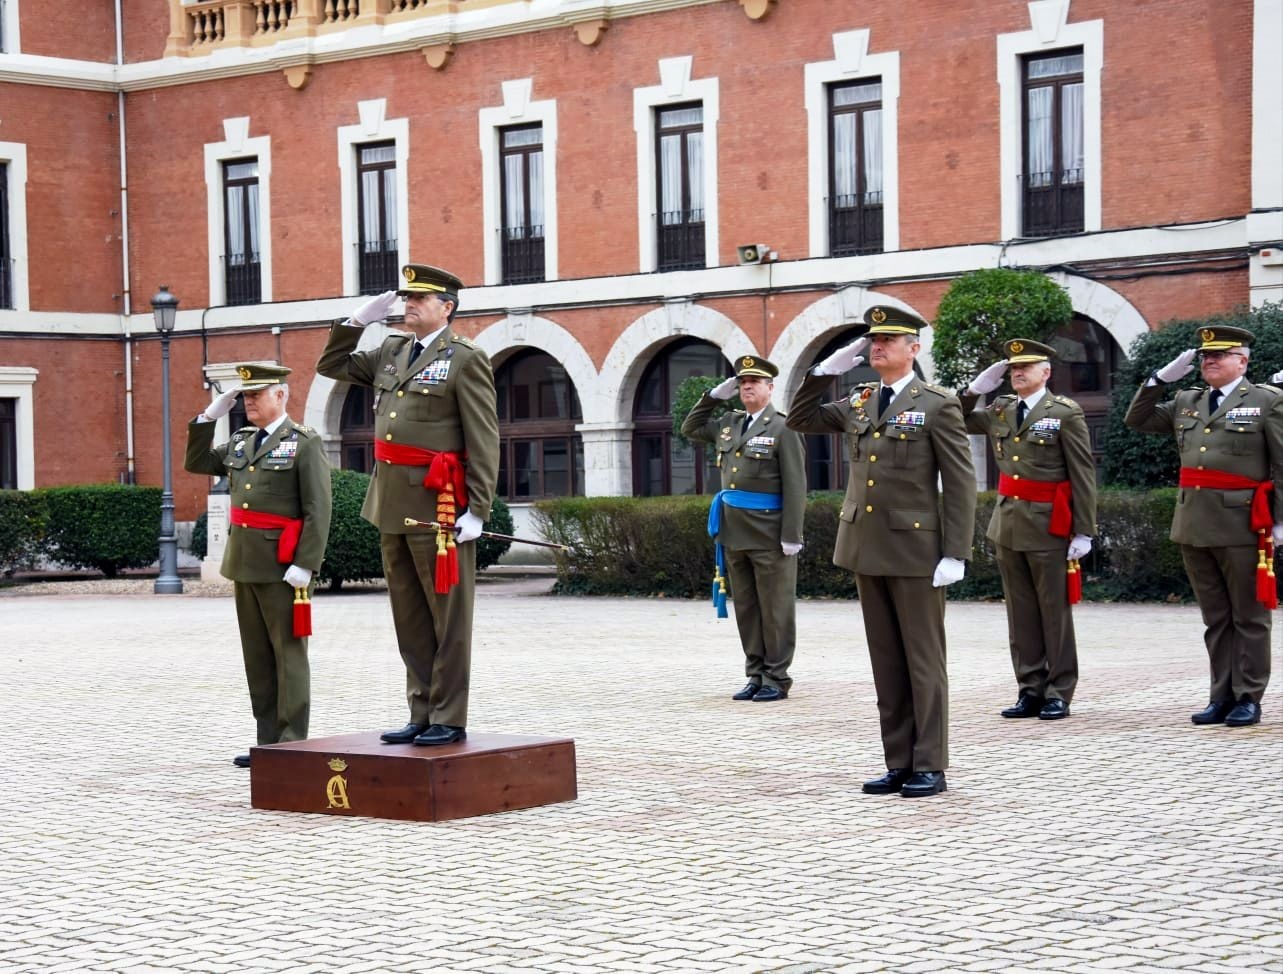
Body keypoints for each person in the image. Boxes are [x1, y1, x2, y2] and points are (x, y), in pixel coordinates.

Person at [786, 306, 975, 797]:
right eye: (874, 340)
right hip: (866, 547)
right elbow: (801, 418)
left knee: (923, 661)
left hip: (915, 551)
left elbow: (959, 481)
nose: (878, 347)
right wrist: (825, 370)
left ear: (914, 348)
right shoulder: (860, 398)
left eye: (890, 339)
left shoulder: (937, 403)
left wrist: (956, 552)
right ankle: (899, 761)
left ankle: (930, 763)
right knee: (887, 661)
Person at [316, 264, 499, 746]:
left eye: (421, 298)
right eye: (407, 298)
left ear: (447, 307)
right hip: (392, 503)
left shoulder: (464, 358)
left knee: (448, 619)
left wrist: (477, 509)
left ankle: (449, 714)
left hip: (441, 507)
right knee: (409, 617)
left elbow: (484, 439)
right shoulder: (392, 350)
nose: (409, 305)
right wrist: (355, 322)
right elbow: (331, 367)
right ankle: (420, 709)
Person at [1125, 326, 1282, 727]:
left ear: (1242, 361)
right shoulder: (1187, 400)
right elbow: (1137, 419)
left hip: (1243, 522)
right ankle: (1221, 696)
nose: (1209, 361)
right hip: (1193, 522)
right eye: (1205, 356)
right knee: (1216, 617)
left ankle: (1248, 696)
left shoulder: (1267, 401)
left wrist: (1280, 520)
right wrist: (1158, 380)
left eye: (1220, 355)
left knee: (1248, 615)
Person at [184, 363, 332, 768]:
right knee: (258, 658)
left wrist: (307, 563)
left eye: (256, 394)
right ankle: (267, 741)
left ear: (280, 395)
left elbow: (319, 509)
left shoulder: (303, 442)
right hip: (245, 563)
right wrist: (208, 417)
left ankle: (292, 742)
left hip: (283, 566)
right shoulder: (240, 441)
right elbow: (196, 462)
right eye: (245, 396)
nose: (249, 401)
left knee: (288, 655)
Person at [961, 339, 1097, 721]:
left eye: (1027, 366)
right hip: (1008, 522)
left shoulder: (1065, 413)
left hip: (1049, 523)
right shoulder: (1001, 408)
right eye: (1013, 368)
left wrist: (1084, 530)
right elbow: (957, 417)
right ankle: (1030, 688)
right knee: (1020, 614)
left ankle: (1059, 690)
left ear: (1046, 372)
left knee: (1053, 612)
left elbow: (1082, 474)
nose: (1017, 372)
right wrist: (974, 390)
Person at [681, 356, 806, 702]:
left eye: (755, 381)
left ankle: (776, 677)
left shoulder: (784, 427)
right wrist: (712, 397)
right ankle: (755, 673)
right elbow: (690, 427)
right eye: (742, 382)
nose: (747, 386)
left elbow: (796, 485)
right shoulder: (728, 423)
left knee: (775, 608)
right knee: (747, 607)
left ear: (770, 387)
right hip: (734, 531)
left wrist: (792, 535)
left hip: (769, 532)